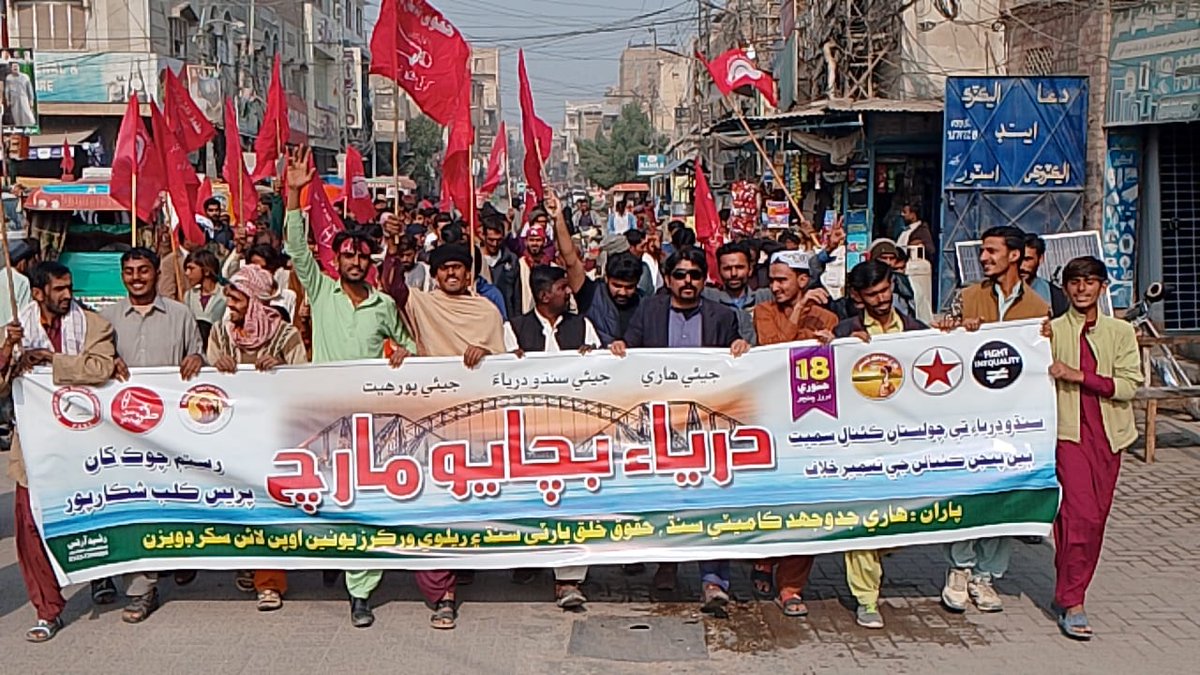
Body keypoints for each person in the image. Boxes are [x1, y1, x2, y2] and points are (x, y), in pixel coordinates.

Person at [282, 147, 417, 628]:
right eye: (346, 255)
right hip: (324, 416)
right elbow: (297, 249)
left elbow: (410, 349)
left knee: (363, 499)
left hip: (370, 421)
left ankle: (361, 590)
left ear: (369, 261)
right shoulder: (319, 291)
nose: (355, 261)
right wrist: (296, 192)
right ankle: (332, 559)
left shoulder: (382, 305)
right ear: (336, 260)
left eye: (362, 255)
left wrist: (402, 356)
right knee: (323, 496)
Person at [610, 247, 749, 612]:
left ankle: (714, 581)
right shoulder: (650, 311)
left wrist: (739, 348)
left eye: (696, 275)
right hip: (660, 423)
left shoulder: (722, 316)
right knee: (665, 497)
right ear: (668, 280)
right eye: (681, 275)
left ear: (705, 279)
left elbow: (736, 365)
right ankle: (667, 565)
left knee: (711, 500)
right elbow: (633, 350)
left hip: (706, 426)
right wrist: (621, 348)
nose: (688, 282)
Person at [380, 241, 505, 630]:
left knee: (468, 504)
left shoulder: (486, 311)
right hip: (429, 422)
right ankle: (443, 595)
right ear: (434, 274)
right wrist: (394, 250)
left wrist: (483, 352)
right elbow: (391, 287)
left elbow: (502, 364)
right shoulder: (422, 303)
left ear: (470, 274)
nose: (452, 274)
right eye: (444, 268)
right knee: (432, 508)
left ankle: (466, 563)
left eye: (458, 268)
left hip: (477, 422)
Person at [2, 261, 116, 642]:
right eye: (58, 289)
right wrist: (9, 352)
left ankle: (100, 575)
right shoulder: (18, 330)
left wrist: (50, 361)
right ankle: (47, 609)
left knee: (93, 511)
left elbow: (101, 367)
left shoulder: (93, 325)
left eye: (69, 287)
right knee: (31, 527)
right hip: (33, 447)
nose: (68, 295)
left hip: (85, 443)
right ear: (37, 294)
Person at [938, 225, 1049, 615]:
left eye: (991, 251)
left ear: (1015, 256)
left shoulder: (1038, 308)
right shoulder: (966, 297)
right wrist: (953, 330)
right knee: (968, 492)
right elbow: (939, 338)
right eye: (983, 252)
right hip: (969, 418)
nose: (984, 258)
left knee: (1004, 498)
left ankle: (987, 576)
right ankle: (960, 569)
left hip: (1014, 421)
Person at [98, 247, 205, 623]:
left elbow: (199, 358)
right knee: (133, 506)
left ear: (157, 273)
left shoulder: (180, 314)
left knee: (173, 503)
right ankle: (142, 587)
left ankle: (178, 557)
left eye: (143, 270)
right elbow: (91, 362)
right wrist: (106, 361)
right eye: (129, 271)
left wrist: (198, 361)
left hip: (172, 433)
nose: (136, 277)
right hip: (124, 433)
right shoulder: (107, 318)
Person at [828, 259, 930, 628]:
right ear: (857, 297)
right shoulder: (845, 331)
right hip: (859, 445)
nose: (882, 299)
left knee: (898, 523)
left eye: (886, 290)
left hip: (906, 445)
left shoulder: (917, 331)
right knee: (864, 522)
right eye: (873, 294)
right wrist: (837, 349)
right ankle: (866, 598)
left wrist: (959, 334)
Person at [1045, 256, 1142, 640]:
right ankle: (1075, 601)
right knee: (1079, 515)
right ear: (1066, 288)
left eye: (1090, 282)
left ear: (1103, 287)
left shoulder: (1119, 332)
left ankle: (1066, 587)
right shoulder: (1050, 331)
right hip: (1068, 436)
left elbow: (1128, 386)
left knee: (1090, 520)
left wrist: (1079, 376)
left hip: (1109, 438)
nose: (1082, 289)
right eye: (1074, 282)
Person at [207, 264, 307, 612]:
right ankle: (247, 563)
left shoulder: (285, 336)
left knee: (268, 509)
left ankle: (269, 583)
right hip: (230, 435)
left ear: (255, 300)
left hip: (272, 436)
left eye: (235, 297)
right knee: (237, 504)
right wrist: (213, 366)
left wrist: (279, 367)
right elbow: (206, 380)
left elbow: (302, 380)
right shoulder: (221, 334)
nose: (228, 302)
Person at [501, 264, 600, 609]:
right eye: (562, 288)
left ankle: (568, 581)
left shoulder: (582, 326)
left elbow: (603, 376)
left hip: (574, 435)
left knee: (573, 505)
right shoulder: (513, 330)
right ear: (544, 295)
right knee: (530, 501)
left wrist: (600, 358)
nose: (568, 292)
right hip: (529, 435)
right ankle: (529, 558)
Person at [749, 250, 837, 618]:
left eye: (783, 279)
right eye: (772, 279)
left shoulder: (829, 316)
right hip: (771, 424)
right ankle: (765, 558)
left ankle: (791, 586)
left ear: (803, 279)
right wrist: (800, 313)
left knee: (807, 507)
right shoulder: (764, 311)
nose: (775, 286)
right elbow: (774, 350)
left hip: (811, 425)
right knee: (770, 500)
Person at [550, 190, 643, 345]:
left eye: (629, 287)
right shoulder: (591, 294)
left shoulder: (645, 305)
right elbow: (571, 261)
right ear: (606, 277)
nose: (623, 292)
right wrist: (558, 218)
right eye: (617, 285)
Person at [702, 241, 774, 344]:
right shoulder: (709, 298)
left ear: (750, 269)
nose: (734, 274)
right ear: (719, 271)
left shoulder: (765, 297)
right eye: (727, 268)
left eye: (740, 267)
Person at [183, 248, 227, 346]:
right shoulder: (189, 296)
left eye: (191, 268)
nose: (187, 273)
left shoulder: (225, 296)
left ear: (206, 271)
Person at [1022, 233, 1070, 318]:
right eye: (1018, 260)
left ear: (1040, 259)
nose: (1022, 266)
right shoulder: (995, 295)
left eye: (1027, 259)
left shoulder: (1057, 297)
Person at [5, 62, 36, 127]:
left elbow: (29, 89)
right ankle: (19, 128)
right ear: (11, 68)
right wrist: (7, 99)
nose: (15, 67)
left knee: (26, 113)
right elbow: (7, 89)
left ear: (19, 67)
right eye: (13, 66)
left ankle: (30, 126)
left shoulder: (25, 77)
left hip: (23, 98)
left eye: (16, 66)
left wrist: (31, 100)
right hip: (14, 99)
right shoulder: (9, 78)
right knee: (16, 114)